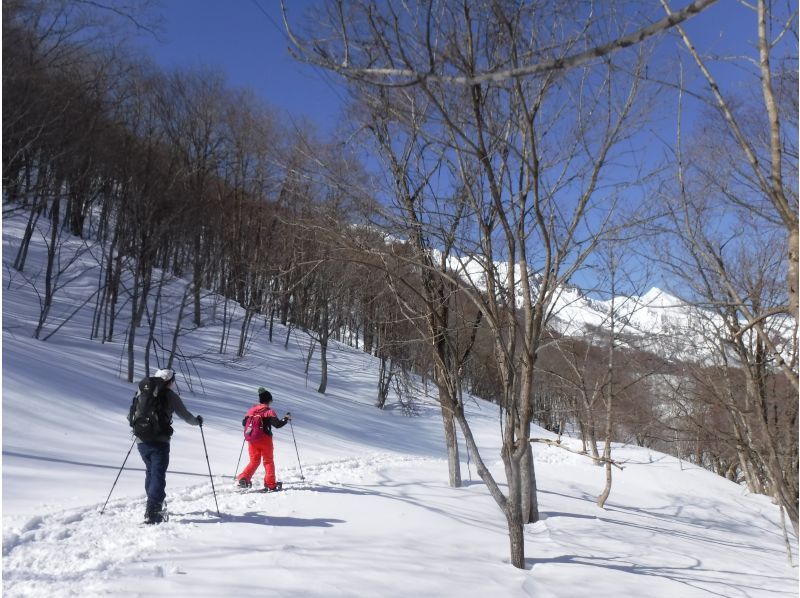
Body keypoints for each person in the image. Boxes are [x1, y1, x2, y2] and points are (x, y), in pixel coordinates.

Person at [134, 368, 203, 524]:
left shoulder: (141, 392)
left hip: (141, 440)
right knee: (158, 474)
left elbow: (130, 415)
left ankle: (153, 503)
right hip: (160, 441)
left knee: (151, 471)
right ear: (169, 382)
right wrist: (197, 421)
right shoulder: (170, 396)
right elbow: (186, 416)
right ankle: (154, 511)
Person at [236, 387, 291, 492]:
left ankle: (244, 478)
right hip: (265, 440)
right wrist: (286, 419)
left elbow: (244, 423)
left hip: (252, 440)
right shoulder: (269, 411)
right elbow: (277, 424)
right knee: (268, 461)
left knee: (254, 460)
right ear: (269, 400)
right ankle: (271, 485)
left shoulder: (252, 410)